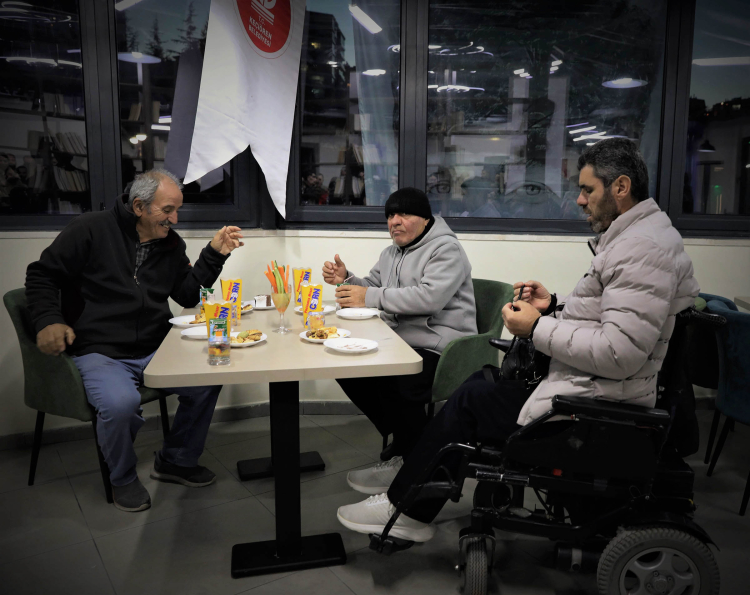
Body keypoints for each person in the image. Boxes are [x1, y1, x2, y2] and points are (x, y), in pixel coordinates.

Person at [336, 138, 700, 542]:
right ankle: (409, 489)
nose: (579, 200)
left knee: (472, 400)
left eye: (587, 190)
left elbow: (620, 352)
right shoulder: (639, 240)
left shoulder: (642, 250)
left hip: (596, 402)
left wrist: (537, 328)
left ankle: (405, 508)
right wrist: (553, 304)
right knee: (478, 387)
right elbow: (610, 315)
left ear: (621, 187)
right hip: (587, 384)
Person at [25, 169, 244, 513]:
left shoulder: (171, 244)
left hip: (156, 347)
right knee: (120, 404)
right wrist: (49, 319)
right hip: (101, 350)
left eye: (177, 210)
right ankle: (123, 477)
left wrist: (214, 254)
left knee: (207, 377)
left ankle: (175, 461)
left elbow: (187, 294)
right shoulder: (90, 229)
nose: (174, 219)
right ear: (139, 206)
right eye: (168, 210)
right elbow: (41, 275)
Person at [322, 187, 477, 489]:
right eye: (390, 215)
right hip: (401, 341)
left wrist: (368, 296)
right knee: (346, 364)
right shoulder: (390, 252)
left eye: (404, 214)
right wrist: (347, 279)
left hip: (441, 345)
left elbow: (429, 298)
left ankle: (414, 460)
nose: (394, 221)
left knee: (400, 381)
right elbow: (371, 285)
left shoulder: (446, 249)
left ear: (425, 218)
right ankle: (413, 443)